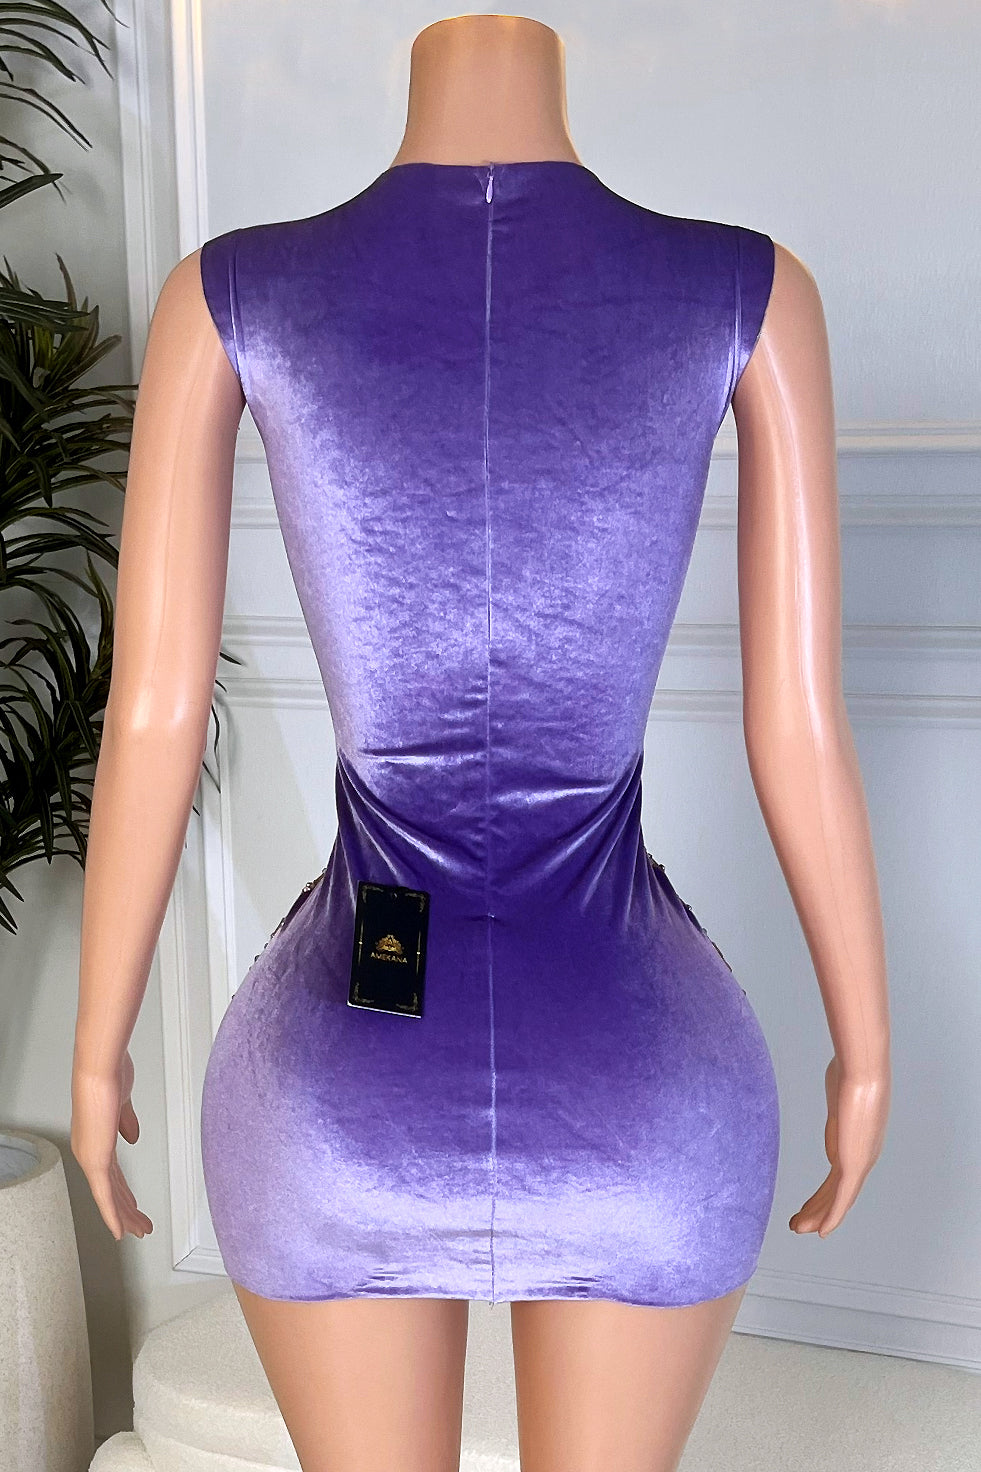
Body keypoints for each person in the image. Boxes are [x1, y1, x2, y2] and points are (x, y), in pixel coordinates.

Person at [71, 14, 891, 1471]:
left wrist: (98, 1047)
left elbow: (150, 711)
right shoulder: (749, 290)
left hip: (343, 1073)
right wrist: (863, 1050)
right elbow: (800, 726)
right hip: (641, 1079)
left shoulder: (230, 294)